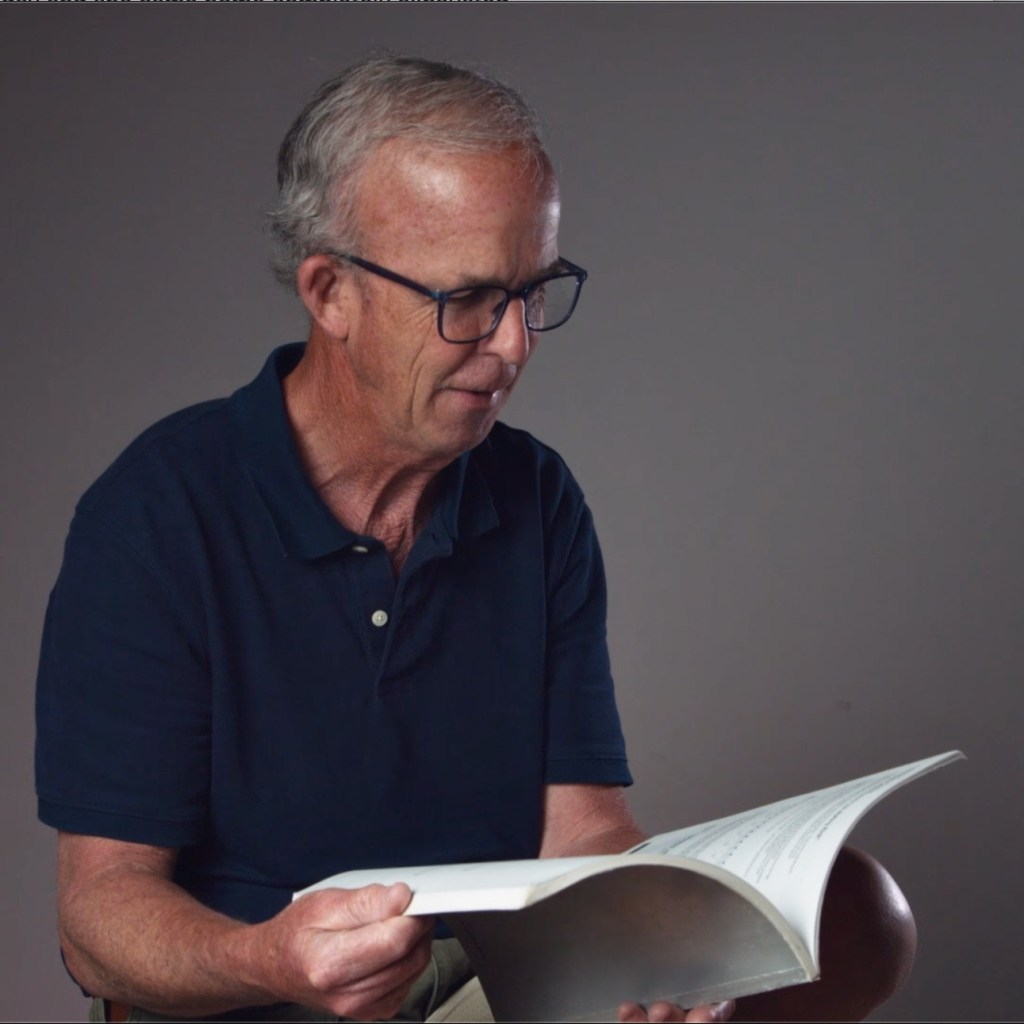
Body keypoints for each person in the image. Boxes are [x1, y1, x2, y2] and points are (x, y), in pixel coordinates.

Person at [35, 56, 915, 1023]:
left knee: (854, 914)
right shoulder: (158, 512)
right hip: (262, 997)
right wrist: (269, 960)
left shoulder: (535, 496)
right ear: (330, 292)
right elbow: (98, 920)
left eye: (534, 291)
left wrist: (664, 950)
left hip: (486, 985)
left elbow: (582, 831)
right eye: (466, 300)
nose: (513, 345)